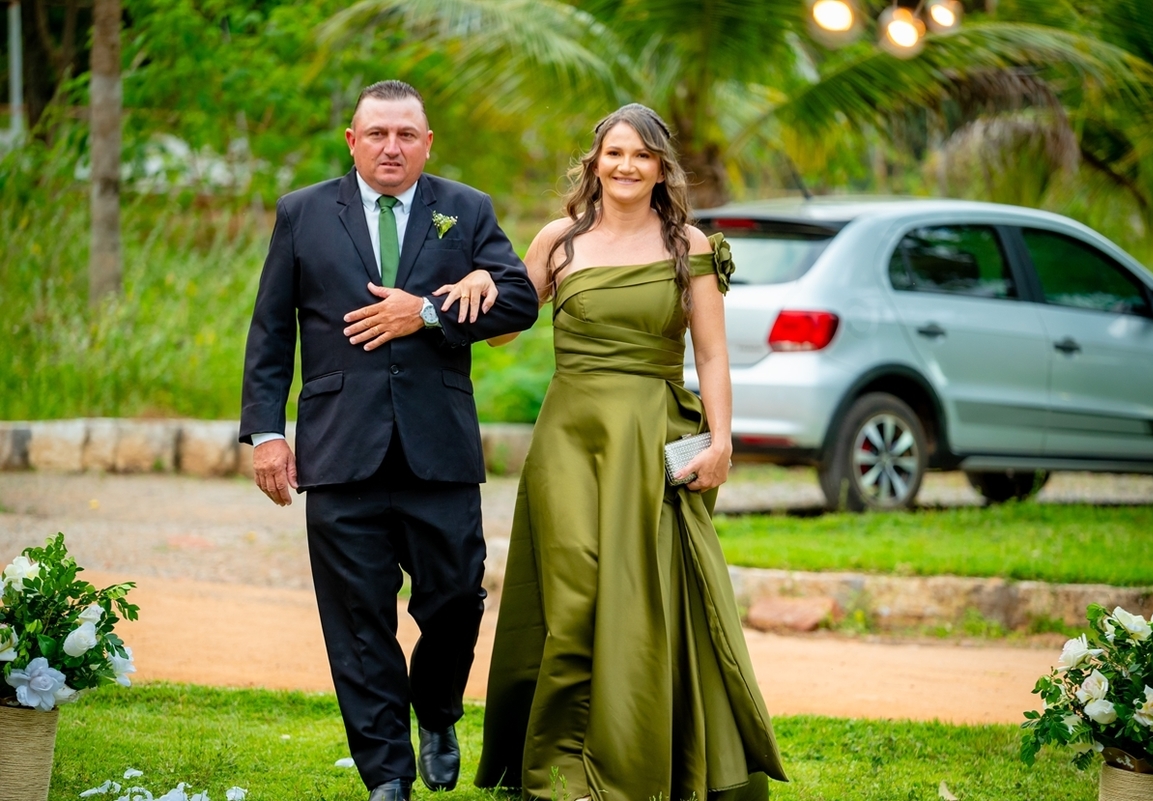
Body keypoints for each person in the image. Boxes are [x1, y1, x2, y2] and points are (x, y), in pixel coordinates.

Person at [474, 104, 788, 801]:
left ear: (660, 169)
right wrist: (483, 284)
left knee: (638, 596)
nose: (626, 165)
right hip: (569, 440)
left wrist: (722, 440)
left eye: (641, 155)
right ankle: (561, 769)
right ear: (595, 162)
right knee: (573, 593)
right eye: (614, 152)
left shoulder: (688, 245)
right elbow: (502, 332)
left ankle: (639, 756)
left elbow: (711, 353)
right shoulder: (558, 240)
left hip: (649, 438)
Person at [239, 80, 540, 801]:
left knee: (456, 598)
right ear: (353, 141)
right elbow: (272, 330)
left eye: (406, 134)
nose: (392, 147)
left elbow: (520, 299)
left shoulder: (466, 209)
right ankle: (386, 775)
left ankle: (436, 712)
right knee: (356, 616)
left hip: (439, 449)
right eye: (377, 133)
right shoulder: (303, 213)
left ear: (427, 143)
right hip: (339, 448)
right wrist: (267, 434)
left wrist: (428, 312)